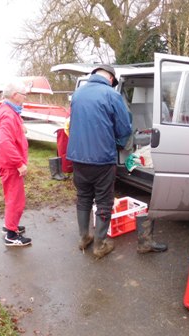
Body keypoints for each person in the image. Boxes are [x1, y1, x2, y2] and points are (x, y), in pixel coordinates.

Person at [66, 64, 132, 259]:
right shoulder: (111, 95)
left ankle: (84, 237)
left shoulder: (77, 94)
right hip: (102, 159)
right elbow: (124, 128)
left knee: (84, 196)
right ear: (111, 79)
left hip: (78, 157)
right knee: (104, 200)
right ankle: (100, 244)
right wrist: (118, 143)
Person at [0, 80, 32, 247]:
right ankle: (11, 234)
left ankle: (10, 225)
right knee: (16, 199)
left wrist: (20, 126)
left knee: (12, 197)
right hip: (10, 164)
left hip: (7, 162)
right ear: (15, 96)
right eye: (23, 95)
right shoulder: (8, 114)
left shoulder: (9, 110)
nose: (25, 98)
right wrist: (19, 164)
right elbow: (5, 142)